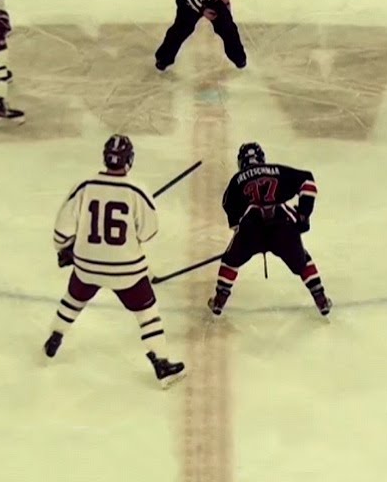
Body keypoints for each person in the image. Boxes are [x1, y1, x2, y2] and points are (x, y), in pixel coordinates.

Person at [45, 135, 186, 387]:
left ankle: (55, 335)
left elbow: (61, 230)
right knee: (147, 313)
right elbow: (149, 232)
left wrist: (65, 249)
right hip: (127, 271)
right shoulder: (136, 190)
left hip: (87, 266)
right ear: (129, 160)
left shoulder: (85, 185)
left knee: (73, 299)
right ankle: (161, 363)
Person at [207, 142, 332, 317]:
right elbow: (308, 182)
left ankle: (220, 300)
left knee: (230, 261)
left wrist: (236, 226)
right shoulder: (278, 171)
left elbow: (228, 203)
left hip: (252, 227)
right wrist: (304, 213)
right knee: (302, 261)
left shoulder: (238, 179)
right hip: (282, 225)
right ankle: (320, 297)